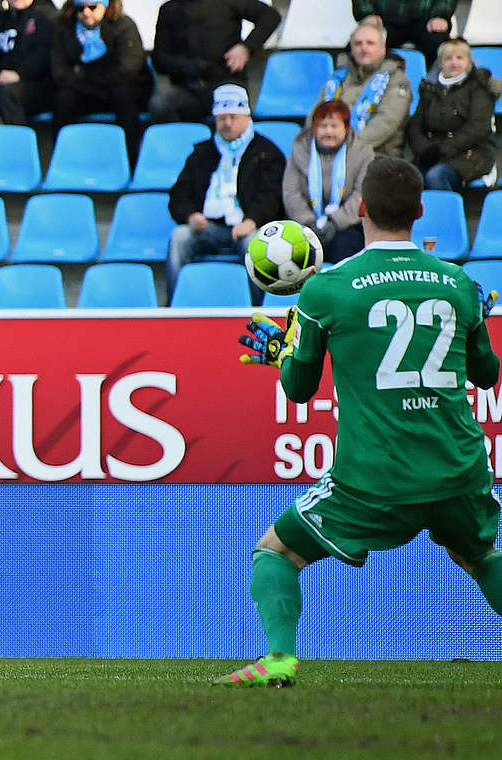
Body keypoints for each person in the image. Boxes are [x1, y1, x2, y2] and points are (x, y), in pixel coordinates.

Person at [219, 156, 502, 687]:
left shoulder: (324, 290)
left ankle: (279, 660)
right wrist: (477, 321)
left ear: (362, 209)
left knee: (274, 552)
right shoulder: (459, 283)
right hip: (458, 467)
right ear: (420, 210)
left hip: (373, 478)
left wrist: (285, 352)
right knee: (480, 554)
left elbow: (299, 391)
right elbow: (488, 376)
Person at [167, 84, 285, 302]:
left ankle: (259, 306)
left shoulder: (267, 152)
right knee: (179, 237)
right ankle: (175, 306)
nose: (227, 123)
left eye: (233, 117)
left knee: (253, 243)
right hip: (208, 227)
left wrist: (252, 221)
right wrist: (190, 215)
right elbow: (179, 194)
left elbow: (272, 196)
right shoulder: (201, 153)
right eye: (222, 118)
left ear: (247, 117)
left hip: (249, 226)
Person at [149, 0, 281, 123]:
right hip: (188, 88)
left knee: (231, 112)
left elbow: (271, 16)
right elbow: (159, 59)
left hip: (227, 82)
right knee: (160, 104)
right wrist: (188, 67)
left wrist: (246, 48)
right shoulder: (169, 10)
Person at [50, 0, 150, 162]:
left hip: (115, 88)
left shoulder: (123, 26)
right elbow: (60, 71)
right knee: (62, 99)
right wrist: (85, 79)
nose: (86, 13)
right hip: (83, 90)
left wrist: (84, 74)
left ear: (107, 6)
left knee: (125, 97)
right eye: (80, 8)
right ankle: (64, 160)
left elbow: (128, 68)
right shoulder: (65, 29)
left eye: (92, 7)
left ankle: (129, 163)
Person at [282, 100, 374, 265]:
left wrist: (335, 223)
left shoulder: (363, 152)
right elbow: (291, 192)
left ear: (346, 128)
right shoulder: (300, 150)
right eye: (322, 126)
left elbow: (363, 193)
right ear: (314, 129)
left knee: (344, 245)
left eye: (334, 126)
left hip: (347, 224)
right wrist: (309, 223)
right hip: (306, 225)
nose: (328, 132)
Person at [407, 38, 501, 192]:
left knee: (435, 176)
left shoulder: (479, 87)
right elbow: (415, 125)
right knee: (409, 175)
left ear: (468, 61)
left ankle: (444, 215)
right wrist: (425, 150)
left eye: (459, 58)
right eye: (448, 58)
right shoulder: (429, 88)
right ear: (440, 62)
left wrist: (442, 150)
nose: (454, 63)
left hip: (472, 153)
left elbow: (477, 127)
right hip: (434, 152)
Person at [314, 21, 413, 159]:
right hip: (332, 151)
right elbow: (316, 114)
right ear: (352, 49)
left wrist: (344, 147)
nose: (364, 48)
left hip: (377, 156)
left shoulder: (397, 79)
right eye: (358, 44)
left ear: (382, 48)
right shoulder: (337, 78)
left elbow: (385, 123)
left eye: (370, 43)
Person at [353, 1, 456, 68]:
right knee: (361, 44)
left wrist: (441, 15)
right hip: (382, 20)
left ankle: (434, 89)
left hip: (427, 20)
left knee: (442, 45)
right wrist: (367, 13)